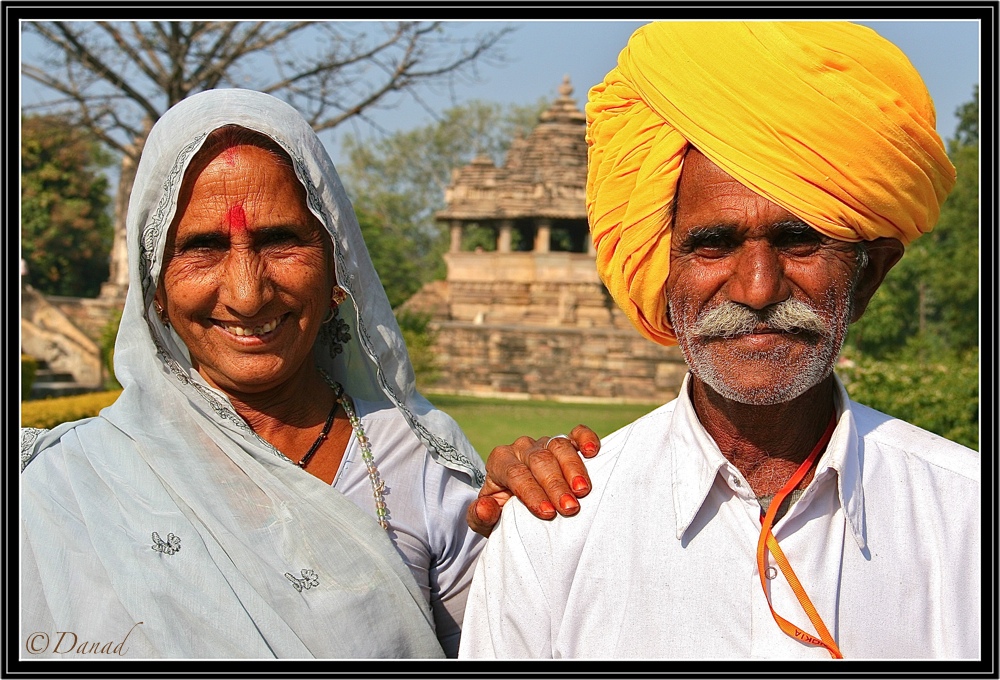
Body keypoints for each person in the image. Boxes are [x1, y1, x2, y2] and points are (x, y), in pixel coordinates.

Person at [459, 21, 979, 660]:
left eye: (798, 240)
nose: (758, 289)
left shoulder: (968, 521)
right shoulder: (558, 526)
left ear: (868, 275)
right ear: (662, 269)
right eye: (713, 244)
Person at [18, 88, 586, 659]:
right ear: (155, 289)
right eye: (203, 247)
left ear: (338, 266)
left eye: (279, 241)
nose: (246, 293)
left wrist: (540, 533)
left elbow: (504, 647)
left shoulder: (414, 465)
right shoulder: (61, 487)